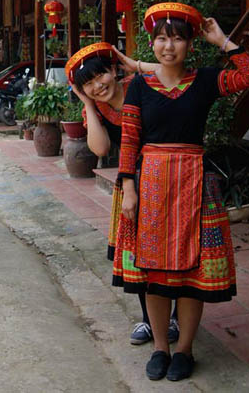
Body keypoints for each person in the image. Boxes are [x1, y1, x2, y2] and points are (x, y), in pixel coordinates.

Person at [118, 3, 249, 381]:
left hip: (193, 186)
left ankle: (184, 350)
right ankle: (160, 348)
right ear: (152, 43)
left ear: (190, 44)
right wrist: (128, 187)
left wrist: (222, 40)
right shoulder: (139, 85)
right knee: (154, 273)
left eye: (178, 38)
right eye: (162, 38)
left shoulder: (205, 80)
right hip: (150, 186)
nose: (169, 46)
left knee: (191, 275)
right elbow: (130, 140)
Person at [66, 42, 180, 347]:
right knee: (139, 253)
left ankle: (177, 318)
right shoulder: (96, 107)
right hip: (133, 182)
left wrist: (133, 63)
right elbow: (101, 149)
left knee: (175, 247)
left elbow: (174, 73)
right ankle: (149, 319)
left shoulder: (143, 85)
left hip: (170, 175)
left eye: (99, 76)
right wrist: (88, 104)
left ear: (114, 70)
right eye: (87, 83)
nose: (97, 86)